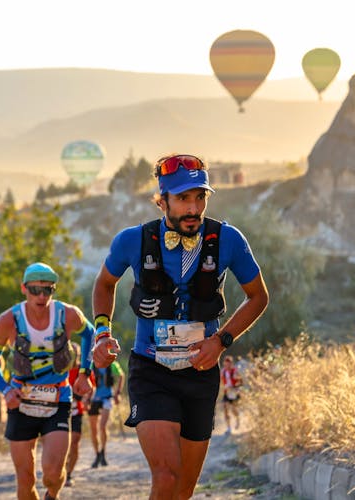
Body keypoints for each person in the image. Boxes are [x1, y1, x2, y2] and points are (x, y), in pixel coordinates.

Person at [91, 153, 269, 499]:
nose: (193, 207)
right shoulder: (132, 240)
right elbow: (104, 284)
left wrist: (221, 341)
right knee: (167, 476)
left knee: (184, 489)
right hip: (151, 370)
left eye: (199, 197)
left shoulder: (228, 239)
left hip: (200, 376)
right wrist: (101, 331)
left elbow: (258, 297)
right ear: (163, 201)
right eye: (183, 198)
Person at [0, 262, 94, 500]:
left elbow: (90, 333)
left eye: (48, 290)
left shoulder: (68, 314)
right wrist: (5, 389)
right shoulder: (8, 320)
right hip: (21, 402)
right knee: (26, 481)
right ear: (24, 288)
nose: (41, 296)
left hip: (58, 400)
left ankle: (53, 495)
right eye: (35, 290)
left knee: (52, 476)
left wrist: (85, 372)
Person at [65, 340, 95, 487]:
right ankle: (61, 469)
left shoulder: (83, 371)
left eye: (75, 354)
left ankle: (69, 473)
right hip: (61, 410)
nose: (73, 356)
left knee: (75, 441)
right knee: (63, 442)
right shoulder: (61, 369)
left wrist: (86, 399)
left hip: (77, 410)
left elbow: (91, 387)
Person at [88, 358, 125, 468]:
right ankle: (97, 455)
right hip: (93, 399)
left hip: (107, 398)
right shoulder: (91, 364)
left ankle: (103, 451)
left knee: (102, 426)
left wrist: (117, 393)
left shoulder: (112, 364)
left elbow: (121, 375)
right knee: (93, 430)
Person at [220, 355, 242, 434]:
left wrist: (236, 382)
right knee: (225, 408)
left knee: (233, 410)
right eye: (225, 364)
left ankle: (237, 419)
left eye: (228, 364)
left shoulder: (235, 371)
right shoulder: (223, 371)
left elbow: (241, 382)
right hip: (227, 392)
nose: (227, 366)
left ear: (231, 364)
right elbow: (221, 382)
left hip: (234, 392)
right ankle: (229, 428)